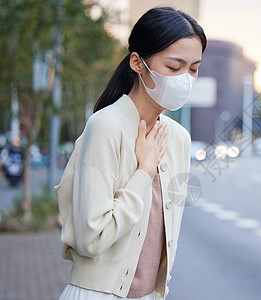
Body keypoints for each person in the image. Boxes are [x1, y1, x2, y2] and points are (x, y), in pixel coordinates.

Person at [55, 7, 207, 300]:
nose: (185, 79)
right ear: (137, 63)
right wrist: (143, 173)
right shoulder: (105, 126)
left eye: (194, 68)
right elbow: (91, 238)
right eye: (174, 67)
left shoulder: (179, 140)